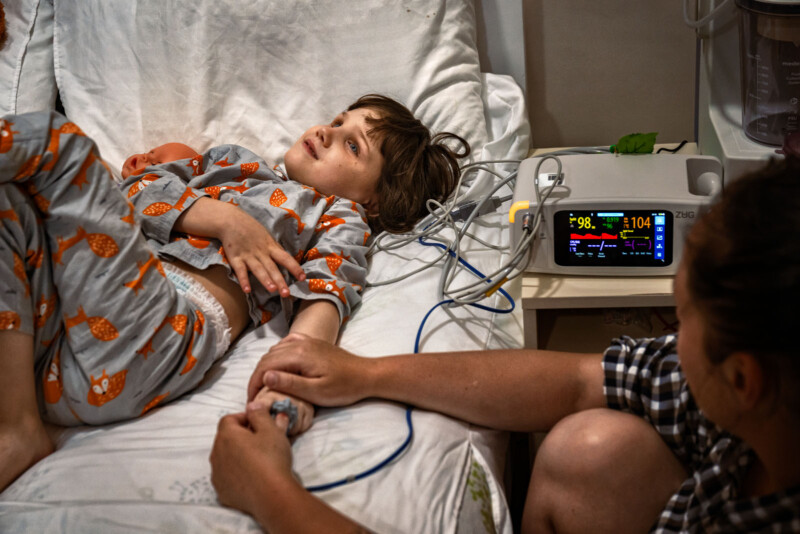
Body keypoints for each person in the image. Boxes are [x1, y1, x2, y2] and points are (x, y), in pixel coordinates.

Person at [211, 156, 800, 533]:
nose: (669, 325)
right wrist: (364, 373)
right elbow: (577, 381)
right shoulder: (762, 412)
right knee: (591, 450)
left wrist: (268, 492)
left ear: (744, 379)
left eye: (683, 315)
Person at [0, 94, 470, 492]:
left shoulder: (336, 215)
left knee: (55, 141)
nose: (326, 132)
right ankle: (18, 421)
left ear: (373, 201)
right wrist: (229, 222)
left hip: (157, 333)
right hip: (51, 347)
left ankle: (17, 429)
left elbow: (329, 293)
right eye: (336, 121)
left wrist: (291, 385)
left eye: (352, 144)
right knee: (8, 203)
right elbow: (138, 188)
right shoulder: (232, 162)